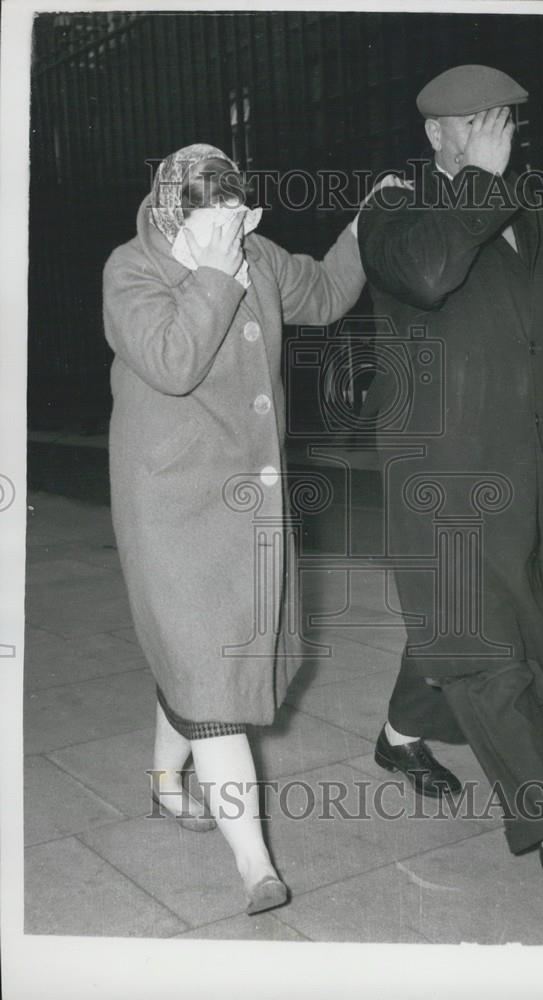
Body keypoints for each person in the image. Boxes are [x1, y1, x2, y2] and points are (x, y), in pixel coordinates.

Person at [359, 65, 543, 893]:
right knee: (481, 641)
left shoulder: (530, 208)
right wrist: (475, 180)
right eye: (478, 124)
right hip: (437, 463)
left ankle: (401, 731)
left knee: (470, 611)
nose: (500, 137)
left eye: (506, 121)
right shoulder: (393, 205)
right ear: (438, 135)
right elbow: (429, 275)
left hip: (525, 459)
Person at [102, 144, 365, 914]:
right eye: (207, 224)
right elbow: (173, 360)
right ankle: (256, 867)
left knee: (194, 658)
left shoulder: (257, 252)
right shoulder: (131, 269)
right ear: (167, 212)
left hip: (244, 499)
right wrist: (213, 276)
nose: (227, 237)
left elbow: (323, 293)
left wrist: (363, 225)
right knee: (211, 677)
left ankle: (161, 780)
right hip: (169, 506)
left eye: (236, 220)